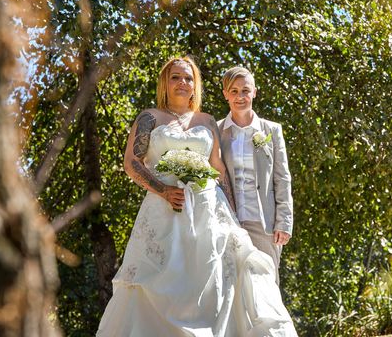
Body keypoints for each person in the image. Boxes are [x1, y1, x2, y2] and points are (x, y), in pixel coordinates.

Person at [97, 57, 297, 337]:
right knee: (162, 281)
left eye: (188, 78)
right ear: (165, 83)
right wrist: (164, 190)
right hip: (164, 210)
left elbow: (219, 170)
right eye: (176, 77)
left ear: (195, 85)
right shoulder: (150, 118)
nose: (183, 83)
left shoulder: (206, 121)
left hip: (209, 210)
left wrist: (233, 217)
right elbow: (132, 162)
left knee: (228, 273)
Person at [218, 67, 293, 285]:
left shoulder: (272, 130)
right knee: (231, 285)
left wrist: (284, 222)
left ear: (254, 93)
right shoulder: (217, 130)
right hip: (228, 221)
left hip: (264, 222)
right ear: (225, 94)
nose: (240, 96)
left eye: (245, 90)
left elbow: (282, 178)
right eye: (234, 91)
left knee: (265, 284)